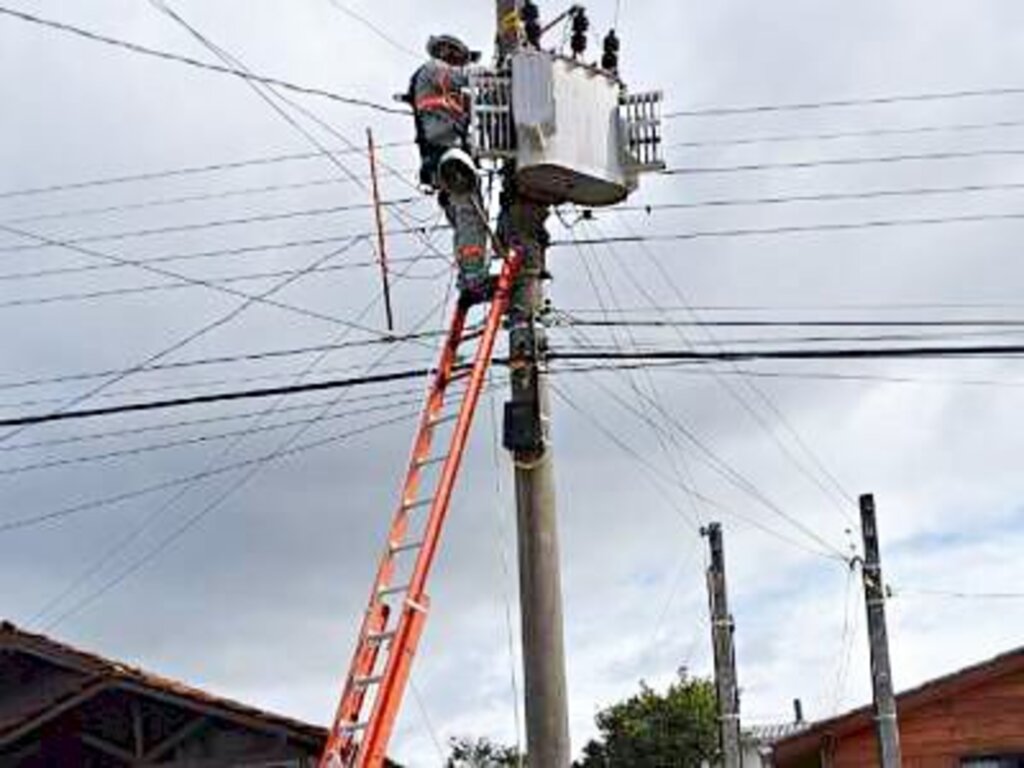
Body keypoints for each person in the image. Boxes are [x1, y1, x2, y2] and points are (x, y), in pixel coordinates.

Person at [408, 35, 492, 306]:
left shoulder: (449, 92)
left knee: (467, 219)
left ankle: (470, 277)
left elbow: (476, 106)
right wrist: (500, 71)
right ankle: (473, 278)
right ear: (446, 51)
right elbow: (464, 77)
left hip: (449, 162)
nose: (461, 61)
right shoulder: (434, 69)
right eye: (459, 55)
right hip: (446, 158)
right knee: (468, 214)